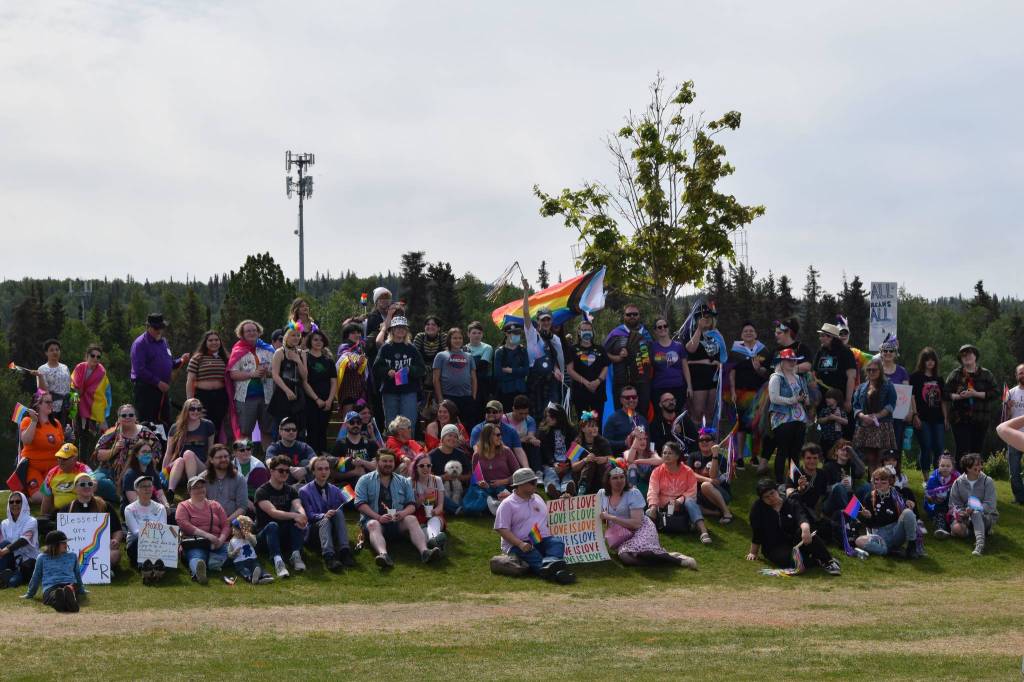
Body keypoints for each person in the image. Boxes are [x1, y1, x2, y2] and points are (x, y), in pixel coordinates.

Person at [354, 449, 441, 567]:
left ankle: (425, 552)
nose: (388, 464)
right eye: (384, 461)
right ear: (377, 462)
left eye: (391, 461)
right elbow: (360, 504)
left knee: (411, 519)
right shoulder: (364, 480)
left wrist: (403, 513)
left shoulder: (403, 481)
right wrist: (378, 517)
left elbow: (412, 505)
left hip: (397, 522)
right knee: (372, 524)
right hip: (375, 523)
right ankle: (383, 555)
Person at [600, 465, 696, 568]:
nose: (619, 481)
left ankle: (678, 561)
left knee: (644, 552)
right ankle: (664, 557)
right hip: (622, 533)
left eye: (621, 477)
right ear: (608, 480)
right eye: (615, 478)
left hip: (641, 528)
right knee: (626, 558)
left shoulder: (633, 493)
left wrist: (611, 517)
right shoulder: (602, 494)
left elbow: (636, 524)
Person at [493, 468, 575, 584]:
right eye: (532, 482)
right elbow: (501, 528)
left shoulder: (537, 497)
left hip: (539, 538)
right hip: (519, 542)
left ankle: (549, 567)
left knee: (557, 543)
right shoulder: (507, 504)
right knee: (533, 554)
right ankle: (555, 572)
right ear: (520, 485)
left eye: (535, 481)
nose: (536, 484)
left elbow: (549, 514)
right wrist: (520, 544)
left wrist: (562, 502)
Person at [745, 478, 842, 575]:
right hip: (774, 547)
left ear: (777, 490)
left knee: (806, 532)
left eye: (772, 493)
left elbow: (801, 517)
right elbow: (757, 531)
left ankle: (828, 561)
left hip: (794, 541)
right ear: (761, 499)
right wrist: (753, 552)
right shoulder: (757, 509)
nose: (771, 498)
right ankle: (816, 560)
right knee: (794, 562)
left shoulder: (790, 503)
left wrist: (805, 529)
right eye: (766, 497)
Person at [646, 442, 714, 545]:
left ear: (677, 456)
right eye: (664, 453)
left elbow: (692, 490)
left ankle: (703, 532)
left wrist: (679, 500)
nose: (666, 455)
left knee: (690, 501)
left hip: (682, 504)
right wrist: (653, 506)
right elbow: (652, 490)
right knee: (648, 511)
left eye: (670, 453)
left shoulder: (687, 471)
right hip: (663, 505)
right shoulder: (657, 471)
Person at [254, 454, 310, 577]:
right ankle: (277, 560)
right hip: (265, 536)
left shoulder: (291, 490)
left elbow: (298, 505)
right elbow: (273, 512)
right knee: (273, 525)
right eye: (281, 470)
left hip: (283, 534)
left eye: (287, 471)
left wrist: (302, 516)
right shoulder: (262, 491)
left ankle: (295, 555)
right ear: (272, 471)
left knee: (296, 522)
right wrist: (295, 516)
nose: (284, 473)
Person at [850, 467, 923, 559]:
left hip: (896, 531)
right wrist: (867, 516)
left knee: (908, 513)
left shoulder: (897, 494)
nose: (879, 482)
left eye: (883, 479)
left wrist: (909, 504)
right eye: (876, 480)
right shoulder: (869, 496)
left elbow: (908, 515)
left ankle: (911, 548)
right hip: (880, 535)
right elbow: (870, 524)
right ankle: (888, 551)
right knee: (859, 541)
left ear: (889, 481)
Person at [130, 313, 190, 425]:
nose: (159, 330)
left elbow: (169, 363)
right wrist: (158, 383)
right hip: (146, 390)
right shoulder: (140, 344)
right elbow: (140, 370)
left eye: (161, 327)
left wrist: (181, 360)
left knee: (164, 421)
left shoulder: (164, 342)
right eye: (156, 328)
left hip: (162, 390)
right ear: (148, 327)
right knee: (147, 422)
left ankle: (164, 442)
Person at [298, 456, 356, 570]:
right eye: (319, 469)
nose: (324, 472)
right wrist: (323, 515)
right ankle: (328, 556)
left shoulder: (335, 489)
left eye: (326, 468)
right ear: (313, 471)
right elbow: (309, 516)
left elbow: (348, 504)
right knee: (325, 521)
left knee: (338, 512)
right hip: (313, 531)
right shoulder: (304, 491)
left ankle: (344, 551)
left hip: (331, 530)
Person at [226, 319, 276, 450]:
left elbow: (277, 371)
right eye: (248, 331)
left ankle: (268, 461)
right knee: (245, 431)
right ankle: (244, 461)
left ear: (259, 332)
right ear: (242, 334)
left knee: (267, 430)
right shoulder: (237, 351)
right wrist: (252, 374)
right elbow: (232, 374)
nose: (252, 333)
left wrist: (267, 373)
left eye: (254, 330)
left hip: (267, 396)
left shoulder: (268, 349)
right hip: (245, 398)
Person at [58, 472, 124, 569]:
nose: (87, 486)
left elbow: (117, 530)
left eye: (89, 484)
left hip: (101, 550)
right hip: (74, 552)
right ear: (75, 488)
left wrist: (115, 540)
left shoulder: (105, 506)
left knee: (115, 555)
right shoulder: (67, 509)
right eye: (82, 484)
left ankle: (101, 570)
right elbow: (58, 535)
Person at [175, 475, 230, 584]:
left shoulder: (215, 505)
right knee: (197, 556)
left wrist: (220, 540)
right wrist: (208, 536)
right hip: (196, 543)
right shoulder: (183, 506)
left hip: (217, 543)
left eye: (202, 486)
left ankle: (211, 563)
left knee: (236, 550)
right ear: (189, 491)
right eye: (196, 487)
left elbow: (226, 525)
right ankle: (199, 573)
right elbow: (184, 524)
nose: (200, 489)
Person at [373, 316, 426, 429]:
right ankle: (392, 446)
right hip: (390, 391)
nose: (400, 330)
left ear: (407, 330)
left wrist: (410, 369)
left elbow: (422, 369)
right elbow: (376, 368)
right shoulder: (385, 348)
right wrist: (387, 371)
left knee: (409, 422)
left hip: (409, 391)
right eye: (397, 327)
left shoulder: (411, 348)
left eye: (403, 327)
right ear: (392, 330)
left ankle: (409, 446)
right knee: (391, 423)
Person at [767, 348, 811, 484]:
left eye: (794, 360)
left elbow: (806, 397)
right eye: (788, 360)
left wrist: (805, 399)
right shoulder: (776, 377)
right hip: (782, 419)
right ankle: (780, 482)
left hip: (799, 418)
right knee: (783, 450)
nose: (792, 362)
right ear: (781, 362)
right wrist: (792, 400)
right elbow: (773, 398)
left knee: (795, 452)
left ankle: (794, 480)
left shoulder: (799, 378)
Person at [945, 344, 996, 457]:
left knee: (976, 451)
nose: (966, 357)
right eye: (963, 355)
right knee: (962, 450)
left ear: (975, 356)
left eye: (969, 354)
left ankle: (974, 474)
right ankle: (960, 474)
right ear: (961, 359)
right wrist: (959, 397)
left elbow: (995, 393)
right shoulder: (955, 374)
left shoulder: (986, 374)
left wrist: (975, 394)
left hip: (981, 418)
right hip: (960, 419)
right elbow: (945, 394)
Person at [92, 404, 155, 497]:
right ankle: (123, 496)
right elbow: (98, 455)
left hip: (134, 472)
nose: (127, 417)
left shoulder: (146, 433)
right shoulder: (111, 432)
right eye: (124, 415)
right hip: (107, 470)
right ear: (119, 418)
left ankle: (125, 495)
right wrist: (114, 449)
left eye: (131, 415)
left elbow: (155, 455)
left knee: (135, 484)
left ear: (135, 418)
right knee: (94, 482)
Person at [729, 322, 770, 463]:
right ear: (741, 335)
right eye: (745, 331)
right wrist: (733, 391)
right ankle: (740, 457)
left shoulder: (763, 351)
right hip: (741, 393)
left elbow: (767, 373)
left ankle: (754, 456)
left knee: (757, 426)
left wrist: (759, 369)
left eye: (751, 331)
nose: (748, 333)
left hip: (760, 394)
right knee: (741, 426)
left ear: (756, 334)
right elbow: (732, 372)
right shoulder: (735, 351)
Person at [604, 304, 654, 418]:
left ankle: (641, 435)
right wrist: (616, 358)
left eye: (635, 314)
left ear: (639, 316)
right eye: (629, 314)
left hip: (642, 381)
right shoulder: (615, 333)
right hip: (621, 381)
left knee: (642, 412)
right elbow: (603, 353)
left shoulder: (646, 334)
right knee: (622, 414)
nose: (632, 316)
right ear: (624, 316)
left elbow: (652, 355)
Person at [521, 291, 565, 420]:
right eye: (542, 319)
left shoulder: (556, 339)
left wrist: (558, 370)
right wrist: (525, 291)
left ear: (551, 320)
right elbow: (525, 313)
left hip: (551, 382)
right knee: (537, 415)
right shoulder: (532, 335)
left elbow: (557, 359)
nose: (545, 322)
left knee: (553, 414)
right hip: (535, 381)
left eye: (548, 319)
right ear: (538, 321)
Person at [15, 391, 65, 502]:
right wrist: (34, 421)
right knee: (38, 497)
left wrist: (69, 441)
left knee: (61, 491)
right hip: (33, 467)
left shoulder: (56, 423)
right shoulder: (27, 420)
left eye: (52, 402)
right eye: (47, 402)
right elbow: (26, 441)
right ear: (38, 404)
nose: (51, 404)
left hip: (53, 468)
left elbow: (61, 448)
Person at [683, 303, 727, 429]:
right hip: (697, 379)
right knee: (697, 412)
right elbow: (690, 349)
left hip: (713, 379)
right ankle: (695, 441)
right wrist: (699, 329)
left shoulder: (717, 335)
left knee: (710, 412)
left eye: (709, 317)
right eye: (703, 317)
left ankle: (709, 440)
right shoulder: (691, 333)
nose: (706, 319)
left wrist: (719, 363)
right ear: (696, 319)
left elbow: (723, 356)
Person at [851, 357, 897, 471]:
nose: (871, 372)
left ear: (880, 371)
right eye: (869, 370)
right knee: (870, 458)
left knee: (882, 458)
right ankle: (872, 484)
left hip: (882, 426)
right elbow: (855, 405)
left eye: (874, 370)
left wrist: (877, 416)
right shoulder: (861, 387)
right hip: (865, 426)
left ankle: (884, 483)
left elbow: (891, 405)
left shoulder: (888, 385)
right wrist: (862, 416)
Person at [22, 530, 86, 612]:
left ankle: (61, 600)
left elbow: (77, 574)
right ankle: (64, 599)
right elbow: (36, 576)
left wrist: (81, 589)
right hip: (52, 587)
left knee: (68, 589)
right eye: (63, 543)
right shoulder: (42, 557)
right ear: (54, 545)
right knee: (55, 593)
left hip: (68, 584)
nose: (66, 545)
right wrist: (30, 594)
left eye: (66, 542)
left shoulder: (72, 556)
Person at [947, 453, 998, 555]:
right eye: (976, 465)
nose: (980, 467)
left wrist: (975, 508)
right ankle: (974, 532)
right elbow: (953, 505)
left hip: (986, 517)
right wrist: (962, 513)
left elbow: (990, 505)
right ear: (968, 468)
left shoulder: (987, 481)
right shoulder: (957, 483)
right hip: (966, 518)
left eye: (980, 464)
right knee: (956, 528)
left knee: (975, 512)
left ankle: (980, 545)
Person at [164, 398, 217, 494]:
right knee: (180, 459)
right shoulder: (175, 427)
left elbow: (211, 450)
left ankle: (192, 487)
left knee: (188, 454)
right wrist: (163, 472)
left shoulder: (208, 425)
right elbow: (168, 452)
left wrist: (210, 471)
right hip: (179, 469)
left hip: (200, 468)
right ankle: (170, 491)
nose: (195, 411)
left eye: (199, 409)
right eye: (192, 408)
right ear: (186, 410)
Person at [910, 347, 948, 476]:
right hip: (922, 418)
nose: (930, 362)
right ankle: (926, 477)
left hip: (938, 419)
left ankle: (938, 476)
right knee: (926, 447)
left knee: (939, 448)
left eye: (933, 360)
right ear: (923, 361)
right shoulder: (915, 377)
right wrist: (915, 415)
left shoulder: (939, 379)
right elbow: (912, 397)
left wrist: (946, 418)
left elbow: (943, 400)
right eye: (927, 360)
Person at [186, 330, 229, 441]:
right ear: (205, 342)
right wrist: (190, 401)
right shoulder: (197, 358)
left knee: (217, 425)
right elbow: (190, 380)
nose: (214, 342)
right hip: (202, 397)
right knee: (202, 424)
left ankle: (215, 452)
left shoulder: (224, 358)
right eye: (210, 340)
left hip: (221, 396)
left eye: (216, 340)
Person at [471, 423, 522, 515]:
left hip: (504, 487)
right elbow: (476, 477)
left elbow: (518, 474)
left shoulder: (506, 451)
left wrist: (503, 481)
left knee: (502, 491)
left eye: (500, 434)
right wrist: (481, 483)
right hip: (486, 489)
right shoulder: (477, 455)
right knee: (477, 501)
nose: (500, 437)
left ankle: (495, 506)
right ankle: (496, 505)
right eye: (497, 435)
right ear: (488, 437)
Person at [687, 428, 734, 524]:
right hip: (700, 496)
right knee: (687, 503)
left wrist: (715, 455)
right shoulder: (693, 456)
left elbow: (713, 475)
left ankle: (726, 513)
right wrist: (709, 480)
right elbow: (689, 474)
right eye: (701, 440)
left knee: (706, 485)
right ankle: (716, 513)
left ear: (713, 443)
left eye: (707, 440)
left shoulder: (721, 458)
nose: (704, 442)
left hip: (719, 494)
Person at [123, 475, 168, 574]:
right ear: (136, 490)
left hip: (156, 544)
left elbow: (163, 529)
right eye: (143, 486)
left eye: (149, 486)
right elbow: (135, 532)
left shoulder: (160, 508)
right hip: (137, 544)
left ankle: (149, 567)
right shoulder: (129, 509)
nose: (147, 489)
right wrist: (153, 534)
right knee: (139, 539)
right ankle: (150, 566)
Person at [432, 327, 477, 427]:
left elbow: (473, 378)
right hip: (448, 396)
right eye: (455, 338)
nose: (458, 340)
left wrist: (473, 396)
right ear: (449, 340)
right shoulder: (441, 355)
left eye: (460, 338)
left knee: (467, 425)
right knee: (449, 425)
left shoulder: (469, 356)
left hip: (466, 397)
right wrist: (440, 399)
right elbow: (436, 379)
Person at [566, 318, 609, 420]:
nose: (586, 332)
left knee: (597, 422)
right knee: (583, 422)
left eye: (589, 329)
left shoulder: (600, 349)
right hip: (580, 392)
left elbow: (606, 366)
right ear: (579, 332)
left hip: (598, 392)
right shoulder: (572, 349)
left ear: (593, 332)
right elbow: (570, 370)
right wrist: (586, 382)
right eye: (584, 329)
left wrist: (598, 381)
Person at [302, 329, 336, 455]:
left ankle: (323, 457)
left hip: (327, 401)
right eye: (315, 339)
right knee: (312, 430)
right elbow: (305, 381)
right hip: (310, 400)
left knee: (323, 429)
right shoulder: (305, 357)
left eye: (321, 340)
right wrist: (316, 399)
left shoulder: (329, 360)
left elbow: (333, 382)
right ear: (310, 341)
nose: (318, 342)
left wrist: (329, 400)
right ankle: (312, 457)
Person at [268, 325, 308, 433]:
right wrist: (287, 390)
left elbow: (304, 376)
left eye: (298, 335)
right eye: (293, 335)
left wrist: (298, 360)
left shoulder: (302, 353)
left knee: (298, 427)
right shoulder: (279, 352)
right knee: (281, 426)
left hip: (298, 394)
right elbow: (275, 375)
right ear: (286, 337)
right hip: (283, 393)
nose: (296, 338)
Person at [812, 322, 857, 415]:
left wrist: (848, 401)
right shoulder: (821, 352)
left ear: (831, 337)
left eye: (822, 336)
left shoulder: (846, 352)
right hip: (823, 399)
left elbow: (851, 377)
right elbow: (813, 371)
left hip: (840, 398)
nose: (820, 338)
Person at [470, 400, 529, 469]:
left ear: (502, 413)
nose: (491, 414)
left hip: (506, 465)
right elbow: (478, 452)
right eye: (488, 412)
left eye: (494, 412)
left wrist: (526, 467)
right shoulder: (477, 430)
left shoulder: (511, 430)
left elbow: (519, 450)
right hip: (486, 465)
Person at [428, 424, 472, 515]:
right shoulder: (432, 455)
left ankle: (455, 508)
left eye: (455, 436)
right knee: (436, 493)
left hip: (459, 489)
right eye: (449, 435)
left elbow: (470, 474)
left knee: (473, 490)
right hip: (440, 490)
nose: (452, 438)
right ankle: (459, 509)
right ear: (442, 438)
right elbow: (427, 478)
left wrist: (459, 477)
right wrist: (443, 477)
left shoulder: (461, 454)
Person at [408, 453, 448, 552]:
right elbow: (410, 507)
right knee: (420, 527)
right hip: (417, 514)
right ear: (415, 467)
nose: (425, 468)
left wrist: (436, 511)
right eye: (422, 465)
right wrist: (423, 497)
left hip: (434, 513)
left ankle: (432, 540)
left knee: (434, 520)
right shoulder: (409, 482)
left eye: (428, 465)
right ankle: (435, 541)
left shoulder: (437, 480)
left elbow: (440, 505)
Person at [70, 343, 111, 441]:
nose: (95, 358)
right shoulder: (79, 367)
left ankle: (86, 456)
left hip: (93, 406)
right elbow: (75, 387)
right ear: (87, 356)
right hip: (76, 401)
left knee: (87, 437)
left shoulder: (101, 372)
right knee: (74, 434)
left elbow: (101, 393)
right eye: (93, 355)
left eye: (98, 357)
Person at [200, 444, 249, 521]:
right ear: (211, 460)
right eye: (219, 457)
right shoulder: (203, 478)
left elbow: (242, 507)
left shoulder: (239, 478)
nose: (223, 459)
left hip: (232, 522)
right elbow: (198, 503)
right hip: (208, 521)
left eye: (226, 456)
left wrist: (227, 522)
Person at [877, 335, 910, 450]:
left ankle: (896, 467)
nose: (888, 353)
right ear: (881, 352)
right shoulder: (876, 369)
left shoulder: (902, 371)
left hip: (897, 414)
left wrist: (908, 411)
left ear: (895, 353)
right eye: (885, 350)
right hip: (879, 413)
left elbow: (906, 393)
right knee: (880, 443)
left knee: (896, 442)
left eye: (891, 350)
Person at [0, 491, 38, 590]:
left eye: (18, 501)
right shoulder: (4, 523)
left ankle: (7, 577)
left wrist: (5, 550)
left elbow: (24, 540)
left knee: (13, 583)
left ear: (24, 503)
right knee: (4, 543)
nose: (14, 504)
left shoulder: (31, 521)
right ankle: (4, 575)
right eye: (11, 502)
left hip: (27, 561)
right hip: (10, 559)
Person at [40, 443, 92, 516]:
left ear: (75, 459)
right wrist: (43, 518)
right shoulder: (51, 473)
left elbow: (94, 485)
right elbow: (46, 498)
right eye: (59, 457)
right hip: (58, 514)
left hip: (80, 512)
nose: (61, 461)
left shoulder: (84, 469)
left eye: (64, 458)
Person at [785, 443, 828, 528]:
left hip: (813, 511)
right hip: (798, 511)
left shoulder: (822, 474)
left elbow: (822, 495)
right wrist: (800, 488)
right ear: (803, 459)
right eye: (808, 458)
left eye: (815, 458)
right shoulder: (794, 472)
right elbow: (789, 495)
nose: (812, 461)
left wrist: (819, 512)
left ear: (819, 459)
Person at [330, 410, 378, 485]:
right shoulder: (340, 445)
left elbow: (378, 467)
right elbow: (333, 474)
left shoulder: (370, 443)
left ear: (361, 424)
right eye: (352, 422)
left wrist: (363, 462)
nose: (355, 425)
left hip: (368, 484)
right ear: (346, 425)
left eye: (358, 422)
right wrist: (354, 473)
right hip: (346, 487)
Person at [539, 405, 578, 498]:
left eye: (550, 416)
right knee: (550, 473)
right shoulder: (544, 432)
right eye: (546, 416)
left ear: (558, 416)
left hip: (567, 463)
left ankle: (567, 489)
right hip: (552, 463)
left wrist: (568, 464)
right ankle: (554, 491)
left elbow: (575, 448)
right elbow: (546, 451)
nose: (548, 419)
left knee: (568, 475)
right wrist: (553, 463)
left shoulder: (571, 431)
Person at [572, 411, 614, 496]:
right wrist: (585, 460)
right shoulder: (575, 444)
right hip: (581, 478)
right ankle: (582, 489)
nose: (595, 428)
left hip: (599, 479)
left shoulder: (604, 442)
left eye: (595, 426)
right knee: (590, 463)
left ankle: (605, 491)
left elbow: (613, 460)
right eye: (591, 426)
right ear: (583, 429)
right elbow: (573, 467)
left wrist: (605, 459)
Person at [266, 416, 316, 484]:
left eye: (294, 429)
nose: (291, 432)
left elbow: (315, 459)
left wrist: (305, 469)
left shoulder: (303, 446)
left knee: (306, 463)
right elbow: (269, 463)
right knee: (279, 469)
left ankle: (311, 492)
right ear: (280, 431)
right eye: (287, 430)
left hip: (302, 477)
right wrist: (289, 469)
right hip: (284, 478)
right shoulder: (274, 447)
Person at [493, 322, 530, 411]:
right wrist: (519, 372)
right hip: (506, 391)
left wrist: (511, 371)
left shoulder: (522, 350)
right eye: (513, 333)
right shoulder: (500, 352)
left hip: (521, 391)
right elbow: (498, 374)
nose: (516, 336)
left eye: (518, 333)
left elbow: (526, 371)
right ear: (506, 334)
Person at [121, 440, 169, 508]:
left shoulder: (153, 473)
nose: (147, 454)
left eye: (149, 452)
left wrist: (166, 504)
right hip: (134, 510)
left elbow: (160, 494)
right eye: (144, 452)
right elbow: (133, 500)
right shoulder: (129, 475)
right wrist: (155, 508)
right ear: (136, 454)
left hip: (152, 507)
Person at [603, 384, 651, 452]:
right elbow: (604, 443)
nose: (631, 400)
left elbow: (649, 441)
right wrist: (624, 443)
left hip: (641, 459)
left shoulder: (642, 419)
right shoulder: (613, 419)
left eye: (634, 397)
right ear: (621, 400)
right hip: (620, 459)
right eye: (627, 398)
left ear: (637, 399)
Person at [227, 516, 273, 584]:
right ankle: (251, 577)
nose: (233, 530)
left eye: (236, 529)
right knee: (244, 570)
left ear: (243, 530)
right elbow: (229, 554)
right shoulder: (232, 541)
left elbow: (255, 543)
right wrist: (234, 552)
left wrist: (249, 537)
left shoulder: (249, 536)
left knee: (257, 566)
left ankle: (263, 576)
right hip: (240, 562)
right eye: (233, 528)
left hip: (252, 559)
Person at [1001, 367, 1024, 504]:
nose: (1023, 375)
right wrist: (1008, 407)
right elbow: (1006, 418)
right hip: (1013, 436)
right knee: (1014, 472)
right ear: (1016, 375)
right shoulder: (1010, 393)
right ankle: (1020, 498)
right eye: (1021, 372)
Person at [335, 322, 369, 412]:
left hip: (361, 390)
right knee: (349, 419)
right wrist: (357, 362)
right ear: (347, 335)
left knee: (360, 420)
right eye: (353, 333)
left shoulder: (361, 348)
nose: (357, 335)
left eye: (358, 332)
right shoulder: (344, 348)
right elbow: (347, 365)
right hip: (348, 389)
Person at [36, 338, 72, 423]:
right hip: (51, 409)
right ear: (46, 353)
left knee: (66, 433)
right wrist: (40, 377)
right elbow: (41, 391)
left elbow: (69, 387)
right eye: (51, 350)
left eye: (57, 350)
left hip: (66, 408)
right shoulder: (42, 369)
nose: (55, 352)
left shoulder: (65, 367)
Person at [924, 452, 959, 537]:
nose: (945, 468)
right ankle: (940, 529)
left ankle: (954, 526)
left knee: (954, 515)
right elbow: (928, 495)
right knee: (940, 513)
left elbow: (961, 493)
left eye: (948, 466)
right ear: (938, 466)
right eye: (942, 466)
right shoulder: (933, 478)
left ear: (952, 467)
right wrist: (933, 499)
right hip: (936, 506)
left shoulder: (958, 478)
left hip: (953, 506)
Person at [503, 395, 541, 472]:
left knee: (535, 445)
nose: (523, 416)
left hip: (524, 447)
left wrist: (533, 440)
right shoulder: (504, 419)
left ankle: (537, 472)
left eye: (526, 413)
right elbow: (505, 442)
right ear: (513, 409)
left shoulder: (529, 420)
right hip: (509, 448)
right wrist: (522, 439)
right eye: (520, 413)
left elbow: (530, 437)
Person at [413, 316, 448, 398]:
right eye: (428, 324)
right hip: (421, 371)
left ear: (438, 328)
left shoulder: (443, 337)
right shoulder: (420, 337)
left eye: (433, 325)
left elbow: (447, 355)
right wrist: (423, 367)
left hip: (439, 371)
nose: (430, 327)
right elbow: (414, 355)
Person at [465, 320, 494, 411]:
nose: (477, 335)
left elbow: (482, 365)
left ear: (482, 334)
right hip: (467, 384)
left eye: (479, 333)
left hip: (482, 385)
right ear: (468, 334)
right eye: (474, 333)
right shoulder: (463, 348)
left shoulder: (487, 348)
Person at [816, 388, 849, 457]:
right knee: (826, 455)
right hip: (825, 438)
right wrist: (828, 418)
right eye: (826, 397)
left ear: (837, 399)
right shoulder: (825, 410)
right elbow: (819, 421)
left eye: (829, 398)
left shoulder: (841, 410)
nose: (827, 399)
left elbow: (846, 421)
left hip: (837, 439)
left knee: (836, 455)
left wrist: (835, 418)